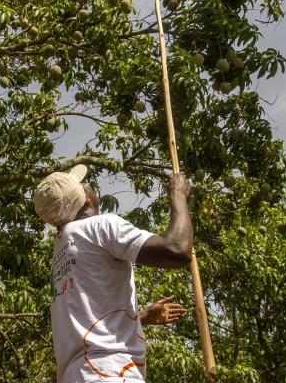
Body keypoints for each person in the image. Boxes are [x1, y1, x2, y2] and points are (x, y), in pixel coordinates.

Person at [33, 164, 193, 383]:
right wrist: (178, 195)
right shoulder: (100, 226)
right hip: (109, 373)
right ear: (85, 198)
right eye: (82, 184)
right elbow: (176, 250)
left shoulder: (61, 251)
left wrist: (138, 319)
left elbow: (86, 321)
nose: (88, 185)